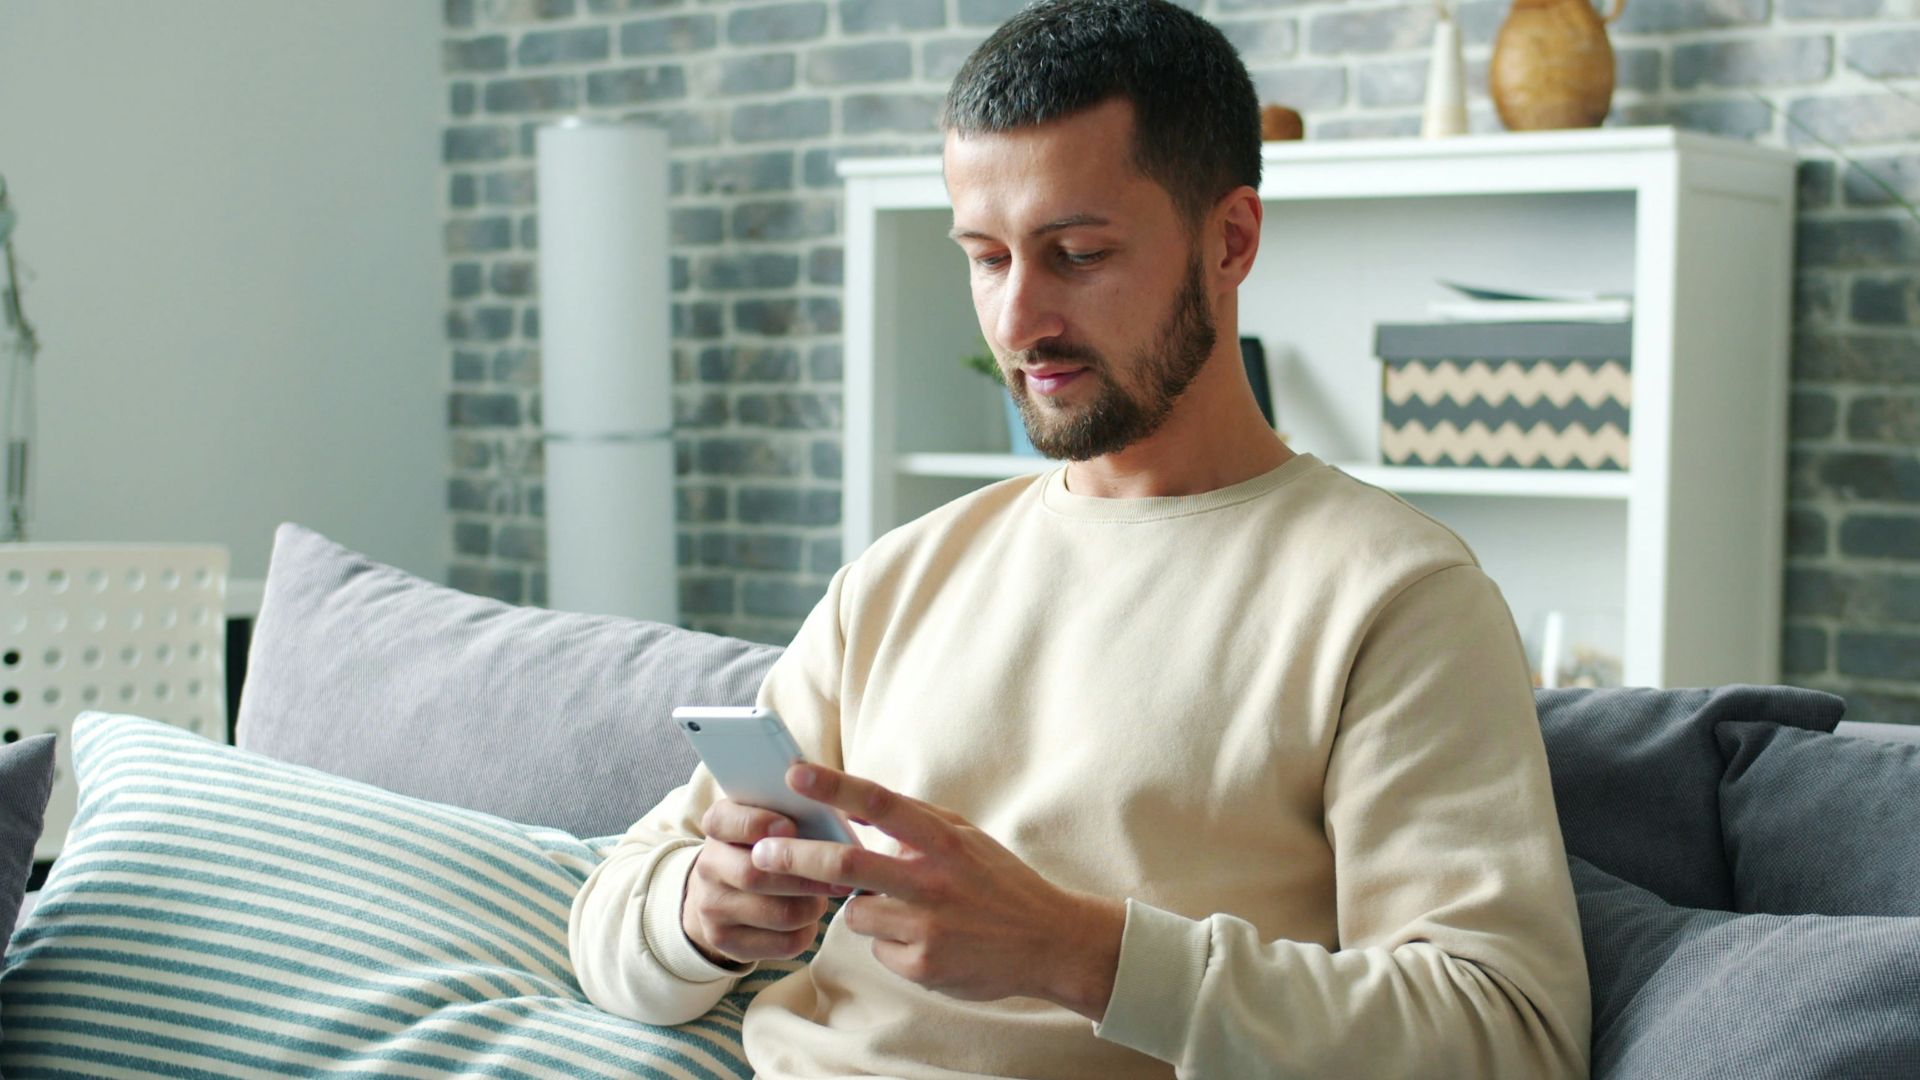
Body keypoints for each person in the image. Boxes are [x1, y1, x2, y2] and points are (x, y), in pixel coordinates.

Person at [570, 0, 1592, 1075]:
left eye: (1077, 253)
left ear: (1231, 239)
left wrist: (1080, 954)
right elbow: (611, 917)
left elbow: (1505, 1035)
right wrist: (697, 914)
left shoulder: (1395, 597)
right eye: (987, 256)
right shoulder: (902, 578)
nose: (1017, 321)